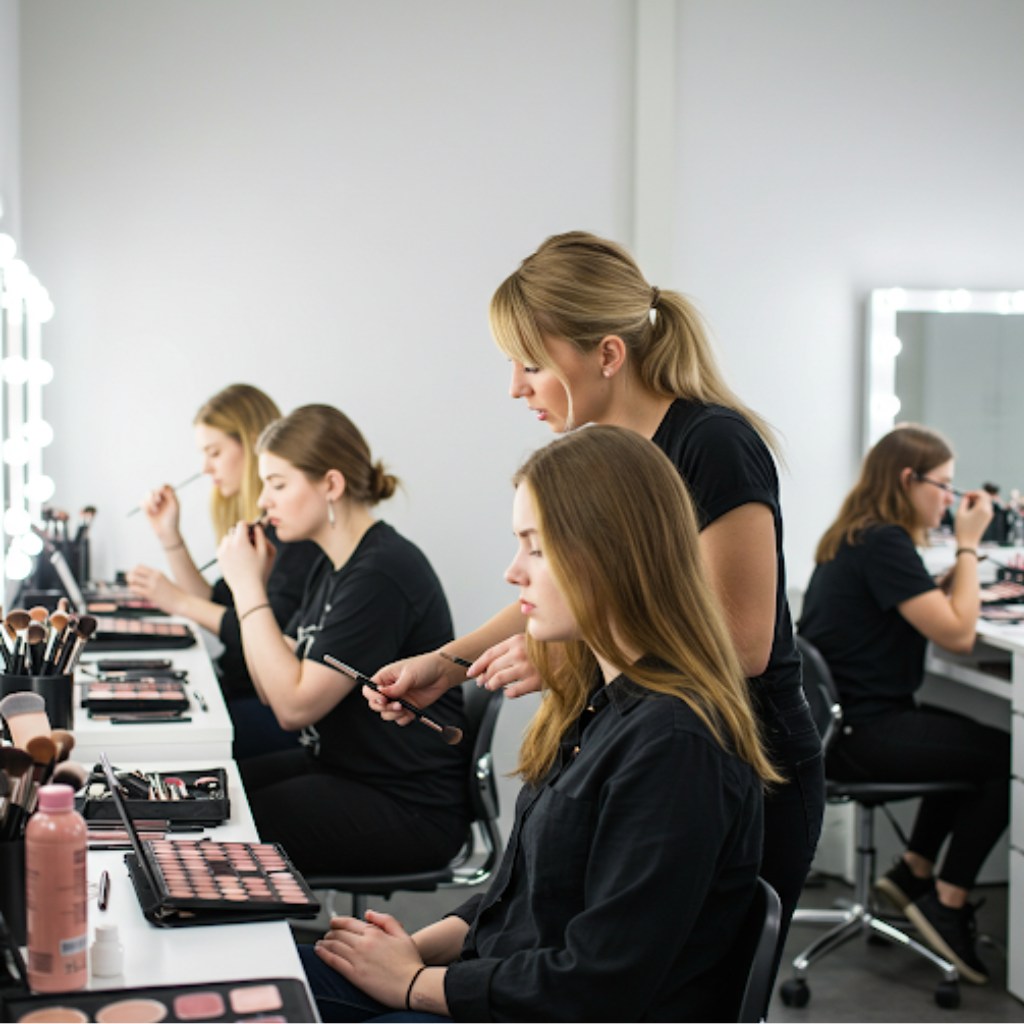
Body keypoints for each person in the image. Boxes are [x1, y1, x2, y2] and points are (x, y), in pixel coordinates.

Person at [367, 231, 823, 933]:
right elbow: (566, 588)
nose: (515, 387)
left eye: (530, 365)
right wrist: (447, 662)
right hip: (656, 743)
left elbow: (743, 642)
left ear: (608, 354)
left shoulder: (713, 445)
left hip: (739, 759)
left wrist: (569, 654)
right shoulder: (601, 453)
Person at [301, 425, 779, 1023]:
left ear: (612, 554)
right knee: (272, 975)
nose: (513, 572)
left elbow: (599, 985)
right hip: (503, 988)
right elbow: (524, 898)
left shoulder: (676, 743)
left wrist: (413, 984)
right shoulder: (598, 706)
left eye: (536, 546)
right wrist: (403, 957)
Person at [219, 404, 469, 876]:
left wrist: (248, 589)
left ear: (330, 485)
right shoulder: (331, 566)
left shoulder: (379, 573)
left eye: (277, 484)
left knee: (232, 828)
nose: (263, 502)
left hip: (406, 803)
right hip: (341, 769)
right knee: (215, 798)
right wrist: (252, 588)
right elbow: (271, 690)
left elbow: (294, 709)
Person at [799, 423, 1008, 985]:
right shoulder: (884, 542)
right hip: (862, 735)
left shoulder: (859, 534)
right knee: (1003, 759)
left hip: (840, 727)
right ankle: (947, 899)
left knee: (973, 746)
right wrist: (968, 542)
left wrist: (940, 576)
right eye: (943, 484)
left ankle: (914, 872)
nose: (948, 496)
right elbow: (959, 636)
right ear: (907, 479)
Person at [127, 384, 320, 758]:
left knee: (168, 745)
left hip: (268, 709)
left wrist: (178, 601)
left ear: (251, 442)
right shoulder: (260, 524)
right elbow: (218, 602)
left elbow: (260, 629)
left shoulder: (295, 536)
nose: (205, 468)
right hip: (244, 691)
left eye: (214, 452)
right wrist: (170, 535)